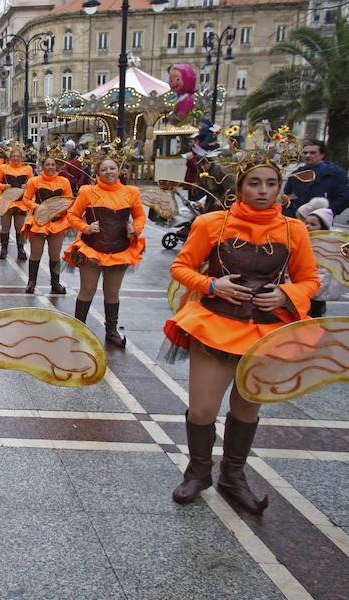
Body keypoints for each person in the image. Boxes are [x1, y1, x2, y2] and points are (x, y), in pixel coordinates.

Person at [164, 157, 319, 514]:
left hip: (267, 331)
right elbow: (180, 267)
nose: (263, 191)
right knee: (202, 409)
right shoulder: (211, 224)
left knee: (247, 407)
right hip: (214, 324)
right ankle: (198, 472)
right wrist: (213, 284)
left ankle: (233, 476)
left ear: (280, 188)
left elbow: (310, 280)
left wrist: (286, 295)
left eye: (270, 183)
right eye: (254, 183)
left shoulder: (294, 230)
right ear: (238, 187)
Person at [64, 157, 146, 348]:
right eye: (104, 169)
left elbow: (140, 215)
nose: (109, 172)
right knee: (87, 289)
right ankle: (78, 330)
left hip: (120, 249)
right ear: (98, 173)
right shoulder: (88, 192)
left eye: (112, 168)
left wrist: (135, 228)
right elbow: (72, 215)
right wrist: (85, 228)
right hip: (92, 248)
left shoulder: (131, 192)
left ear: (119, 171)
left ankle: (111, 332)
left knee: (112, 292)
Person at [20, 155, 73, 294]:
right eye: (47, 164)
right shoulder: (34, 181)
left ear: (56, 167)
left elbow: (69, 200)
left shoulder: (64, 181)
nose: (50, 167)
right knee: (36, 253)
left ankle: (55, 283)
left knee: (55, 255)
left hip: (57, 222)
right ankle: (31, 282)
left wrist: (61, 209)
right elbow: (26, 199)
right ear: (42, 166)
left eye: (53, 165)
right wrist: (38, 207)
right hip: (39, 222)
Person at [299, 203, 344, 317]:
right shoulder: (306, 241)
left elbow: (323, 275)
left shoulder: (325, 249)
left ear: (323, 228)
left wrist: (310, 291)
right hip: (304, 292)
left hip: (315, 296)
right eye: (306, 222)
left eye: (313, 224)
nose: (308, 226)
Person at [283, 140, 349, 217]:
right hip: (297, 221)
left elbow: (344, 198)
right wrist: (289, 216)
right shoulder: (295, 176)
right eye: (305, 153)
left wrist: (326, 213)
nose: (308, 155)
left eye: (312, 153)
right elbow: (287, 198)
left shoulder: (335, 174)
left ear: (322, 155)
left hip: (320, 222)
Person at [0, 147, 34, 261]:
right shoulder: (3, 168)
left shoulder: (27, 169)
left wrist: (28, 185)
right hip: (6, 202)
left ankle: (21, 249)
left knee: (20, 228)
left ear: (21, 158)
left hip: (21, 202)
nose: (15, 158)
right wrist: (3, 186)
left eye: (17, 156)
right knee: (5, 227)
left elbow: (33, 183)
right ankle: (4, 249)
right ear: (10, 158)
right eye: (13, 156)